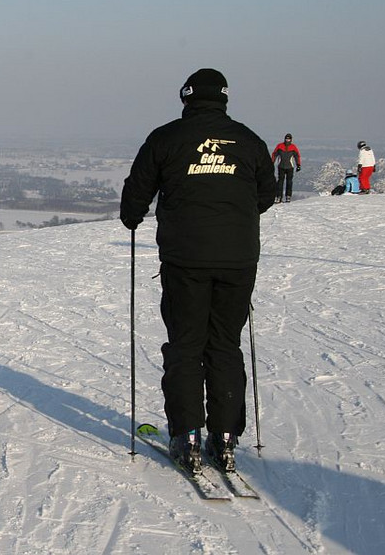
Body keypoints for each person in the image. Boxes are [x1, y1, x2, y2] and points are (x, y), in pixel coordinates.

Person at [120, 68, 277, 474]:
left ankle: (187, 435)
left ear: (185, 98)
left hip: (185, 259)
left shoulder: (166, 138)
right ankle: (225, 439)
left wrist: (134, 216)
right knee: (225, 344)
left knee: (186, 345)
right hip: (238, 260)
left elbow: (135, 196)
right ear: (224, 99)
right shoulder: (248, 140)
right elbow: (266, 194)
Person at [271, 133, 301, 203]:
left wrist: (298, 165)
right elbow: (274, 154)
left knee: (289, 182)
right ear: (284, 139)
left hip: (290, 167)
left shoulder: (293, 147)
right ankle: (279, 197)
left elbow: (297, 156)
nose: (287, 140)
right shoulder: (280, 146)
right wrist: (272, 162)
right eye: (286, 139)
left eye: (289, 139)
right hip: (281, 166)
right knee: (280, 182)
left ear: (291, 140)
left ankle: (288, 196)